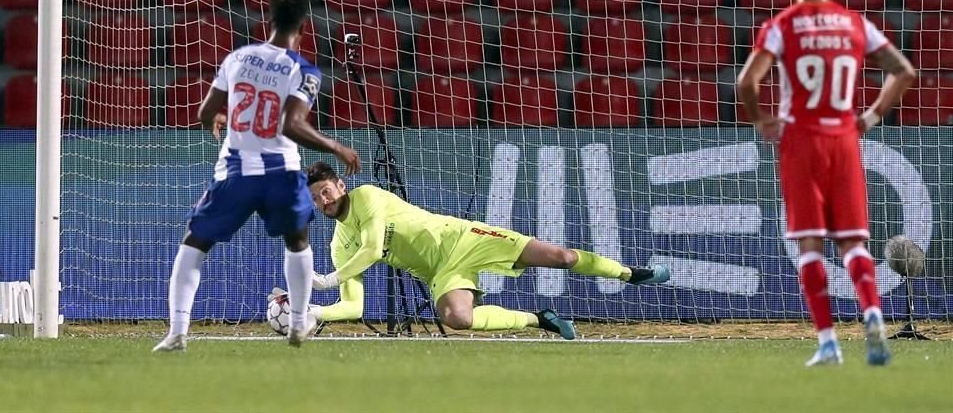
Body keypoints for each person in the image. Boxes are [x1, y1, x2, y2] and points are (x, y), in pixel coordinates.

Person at [153, 0, 361, 352]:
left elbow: (205, 113)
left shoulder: (238, 58)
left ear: (268, 20)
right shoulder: (303, 70)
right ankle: (298, 322)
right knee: (297, 242)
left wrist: (224, 117)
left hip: (236, 170)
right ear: (303, 26)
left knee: (195, 242)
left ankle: (177, 331)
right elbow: (291, 126)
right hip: (281, 170)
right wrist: (336, 146)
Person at [737, 0, 916, 367]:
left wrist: (762, 119)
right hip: (844, 137)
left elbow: (748, 80)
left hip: (801, 139)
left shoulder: (781, 26)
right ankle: (873, 313)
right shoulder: (855, 23)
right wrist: (869, 117)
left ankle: (828, 342)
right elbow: (904, 70)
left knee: (811, 244)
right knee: (853, 241)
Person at [278, 161, 670, 340]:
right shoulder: (336, 243)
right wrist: (311, 311)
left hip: (464, 238)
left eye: (325, 192)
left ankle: (630, 273)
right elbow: (356, 307)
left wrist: (327, 280)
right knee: (457, 318)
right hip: (440, 271)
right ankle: (539, 319)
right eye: (316, 199)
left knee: (562, 258)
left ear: (340, 186)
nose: (323, 201)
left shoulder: (365, 197)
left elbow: (373, 245)